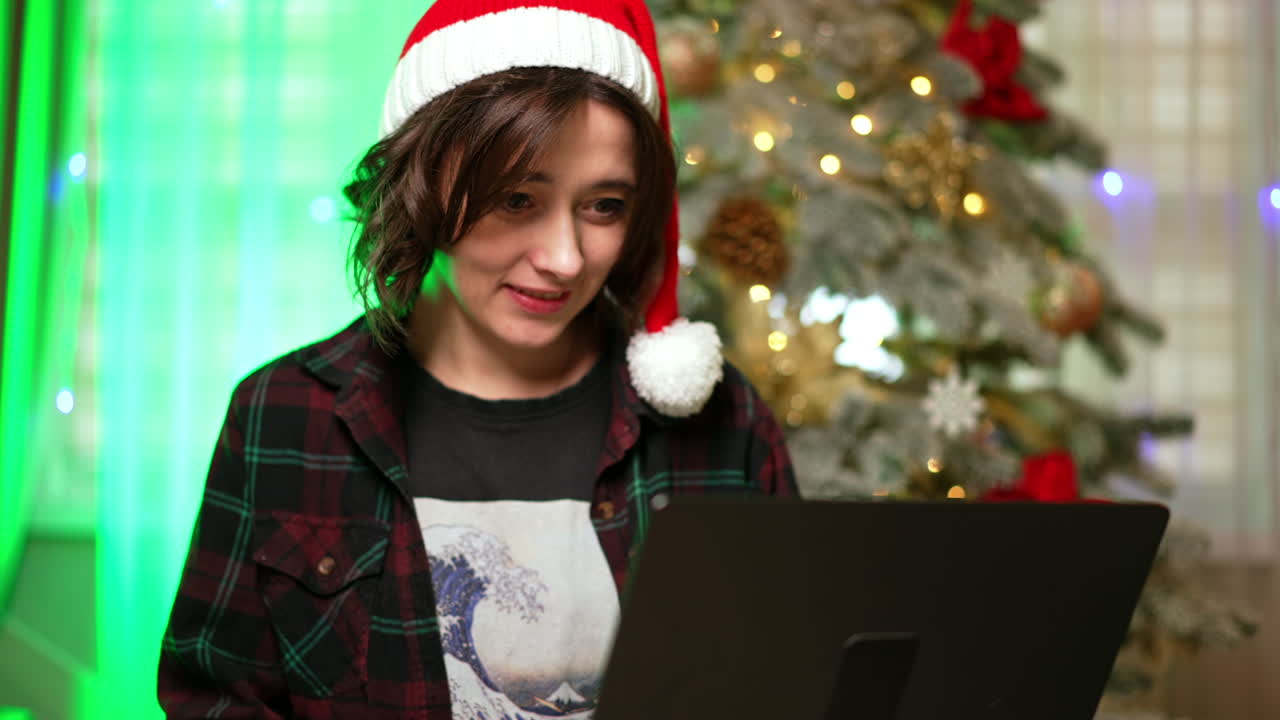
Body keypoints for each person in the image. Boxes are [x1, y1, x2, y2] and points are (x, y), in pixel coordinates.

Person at [157, 0, 797, 717]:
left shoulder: (727, 422)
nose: (564, 259)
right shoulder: (284, 416)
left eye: (604, 206)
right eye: (518, 199)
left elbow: (790, 683)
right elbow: (216, 701)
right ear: (419, 185)